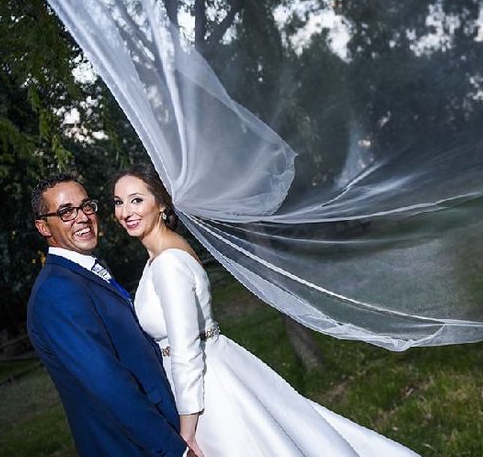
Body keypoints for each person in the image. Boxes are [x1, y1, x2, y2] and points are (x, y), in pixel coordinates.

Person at [112, 163, 419, 456]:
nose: (126, 211)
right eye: (118, 202)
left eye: (136, 200)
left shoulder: (168, 263)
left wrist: (187, 429)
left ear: (162, 205)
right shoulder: (160, 258)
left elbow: (185, 349)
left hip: (207, 391)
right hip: (215, 370)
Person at [28, 173, 188, 456]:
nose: (82, 217)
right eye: (66, 212)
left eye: (86, 206)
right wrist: (175, 450)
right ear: (43, 227)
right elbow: (108, 386)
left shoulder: (84, 271)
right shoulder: (56, 291)